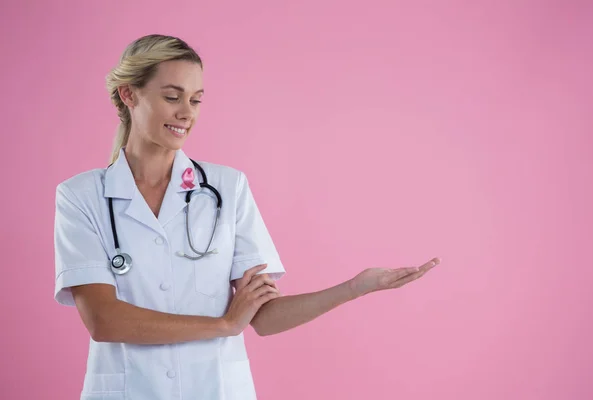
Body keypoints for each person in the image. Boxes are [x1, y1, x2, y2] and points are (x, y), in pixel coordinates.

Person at [53, 34, 442, 400]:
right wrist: (222, 325)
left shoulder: (227, 188)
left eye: (196, 100)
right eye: (173, 96)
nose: (186, 113)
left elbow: (264, 318)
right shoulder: (82, 196)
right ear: (129, 95)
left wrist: (355, 287)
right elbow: (104, 321)